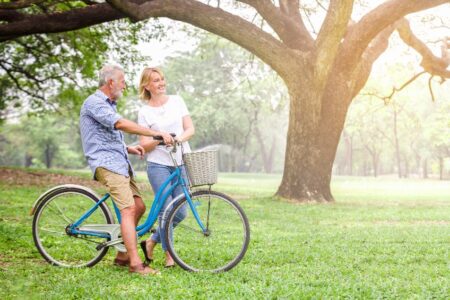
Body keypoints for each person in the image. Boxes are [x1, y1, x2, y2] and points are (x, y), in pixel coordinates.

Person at [79, 64, 173, 275]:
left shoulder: (109, 105)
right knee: (128, 209)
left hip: (119, 162)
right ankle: (135, 264)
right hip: (107, 164)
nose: (124, 85)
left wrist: (127, 148)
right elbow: (120, 124)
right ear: (111, 82)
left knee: (138, 206)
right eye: (122, 81)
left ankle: (122, 254)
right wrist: (156, 134)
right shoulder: (94, 102)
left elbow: (105, 137)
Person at [137, 67, 195, 268]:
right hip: (158, 165)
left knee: (181, 212)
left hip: (180, 163)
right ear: (147, 85)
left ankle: (151, 241)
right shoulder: (144, 112)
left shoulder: (177, 101)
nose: (161, 83)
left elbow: (190, 128)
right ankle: (169, 254)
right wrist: (160, 138)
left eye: (162, 79)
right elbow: (143, 144)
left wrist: (177, 138)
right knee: (166, 209)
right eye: (155, 80)